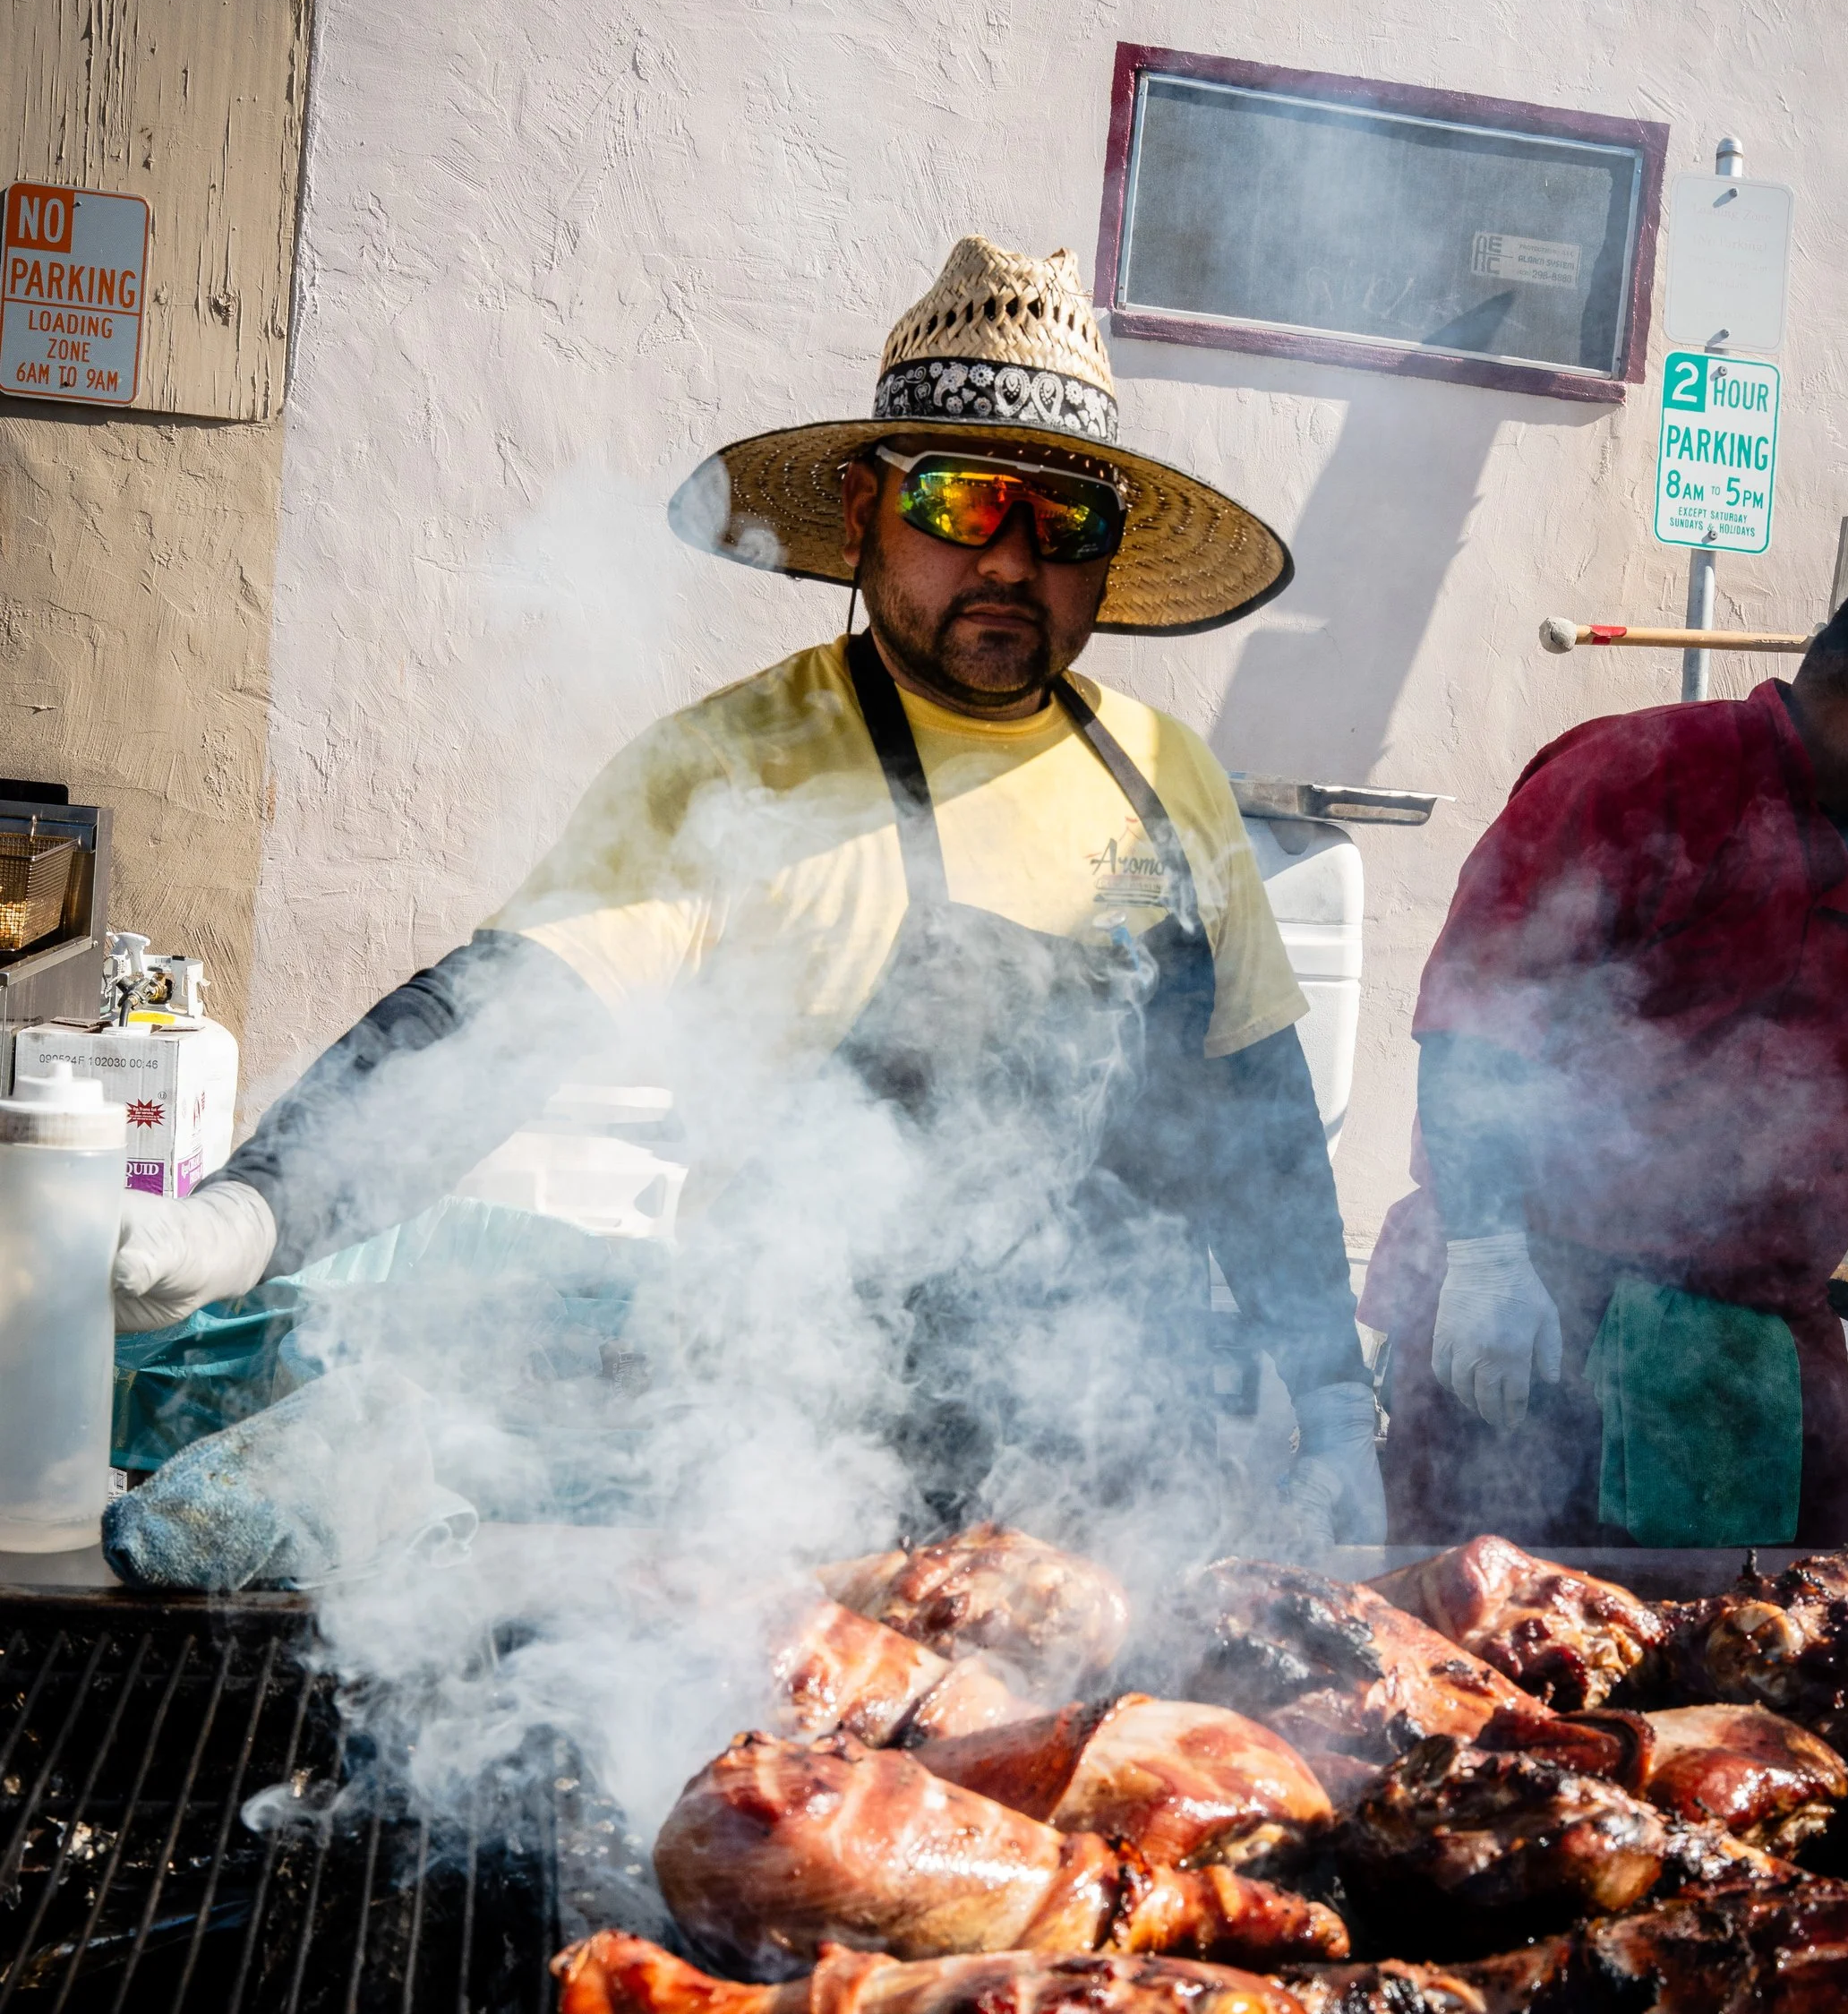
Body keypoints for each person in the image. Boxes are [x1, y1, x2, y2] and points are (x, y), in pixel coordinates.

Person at [112, 237, 1382, 1546]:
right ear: (861, 506)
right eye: (959, 503)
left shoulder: (1171, 776)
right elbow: (491, 1027)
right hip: (800, 1488)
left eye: (1066, 520)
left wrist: (1338, 1401)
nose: (1010, 559)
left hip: (1123, 1483)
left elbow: (1265, 1129)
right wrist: (255, 1210)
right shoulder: (733, 767)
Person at [1360, 541, 1848, 1551]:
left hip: (1763, 1344)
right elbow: (1476, 1027)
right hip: (1536, 1309)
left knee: (1820, 1644)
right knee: (1484, 1637)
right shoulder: (1636, 777)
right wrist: (1483, 1257)